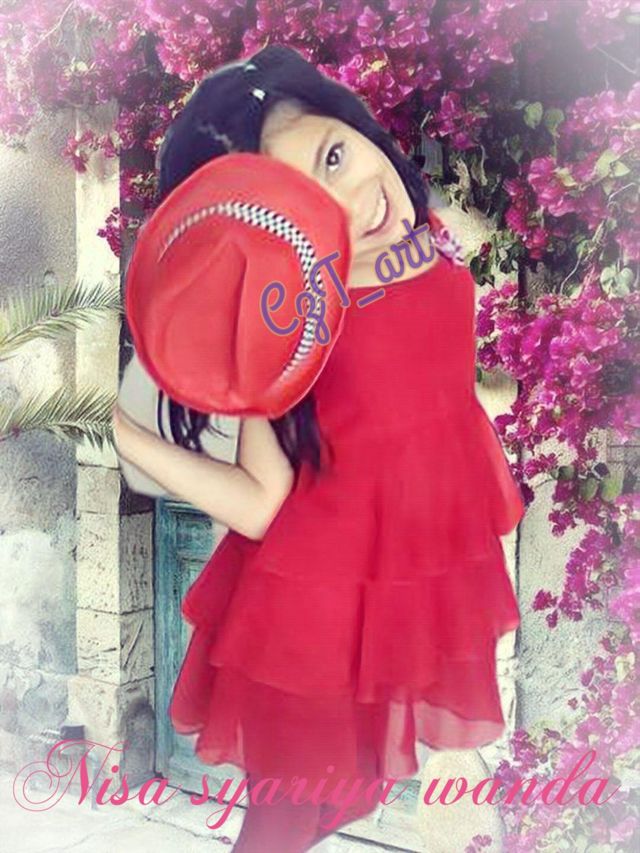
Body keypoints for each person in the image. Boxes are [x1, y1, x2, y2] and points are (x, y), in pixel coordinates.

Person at [112, 44, 526, 853]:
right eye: (306, 205)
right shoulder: (292, 333)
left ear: (354, 123)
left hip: (403, 589)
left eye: (334, 156)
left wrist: (499, 398)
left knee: (360, 790)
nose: (354, 203)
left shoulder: (425, 245)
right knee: (282, 827)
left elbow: (426, 371)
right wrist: (128, 435)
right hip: (312, 618)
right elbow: (261, 502)